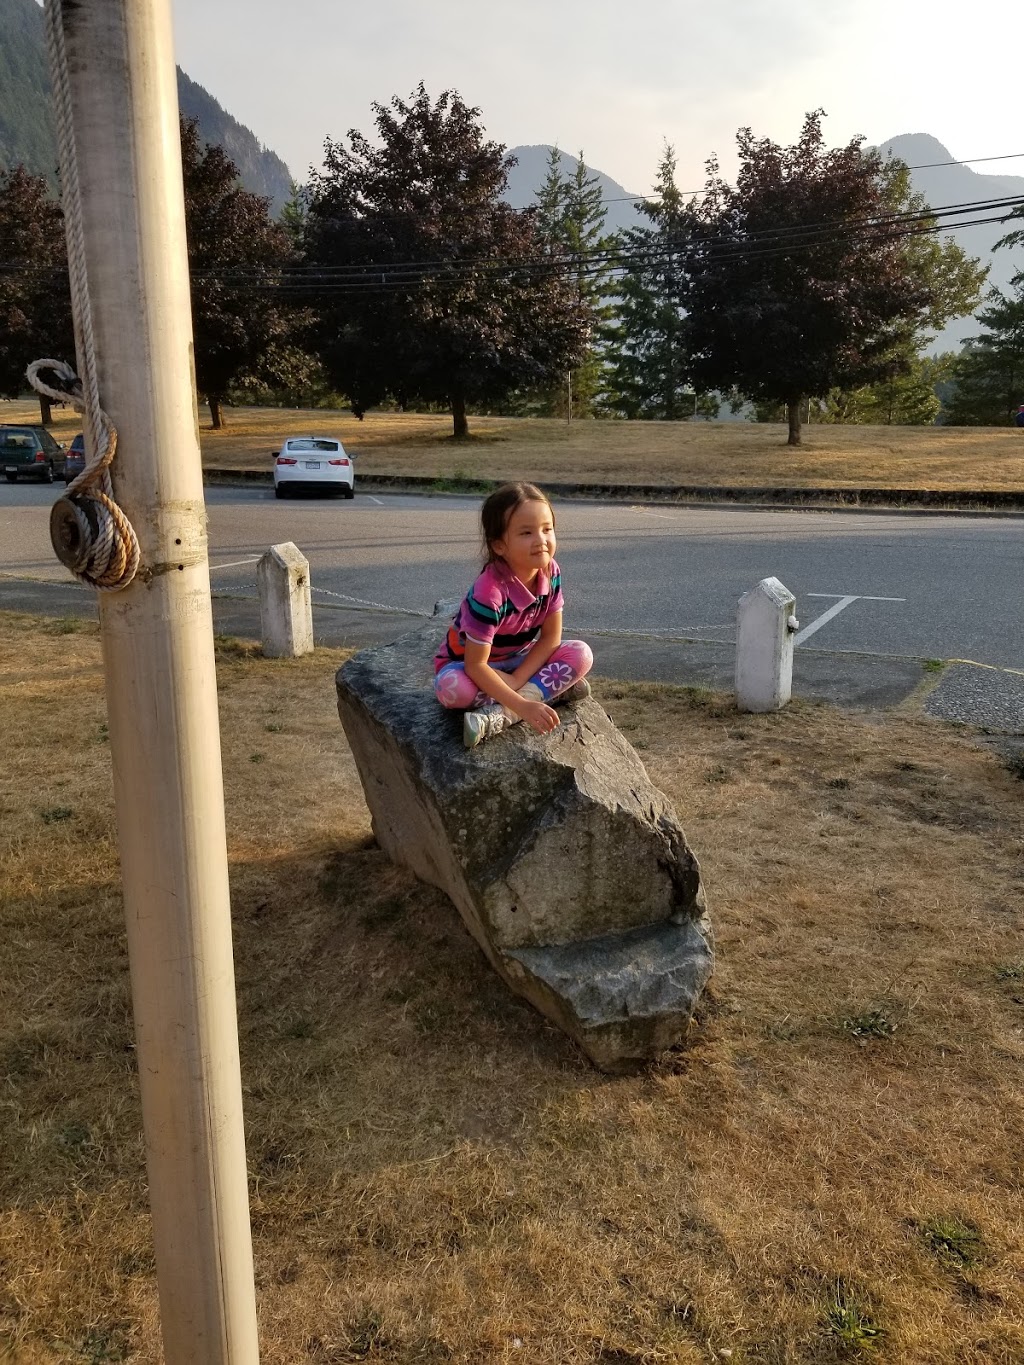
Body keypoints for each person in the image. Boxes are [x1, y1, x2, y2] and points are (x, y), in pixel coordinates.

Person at [435, 481, 594, 748]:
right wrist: (522, 701)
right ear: (499, 545)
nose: (541, 541)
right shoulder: (490, 592)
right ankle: (546, 695)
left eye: (547, 529)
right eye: (526, 533)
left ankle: (501, 716)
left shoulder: (550, 572)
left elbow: (550, 639)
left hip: (519, 663)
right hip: (472, 667)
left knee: (581, 653)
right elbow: (476, 665)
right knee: (453, 690)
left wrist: (518, 680)